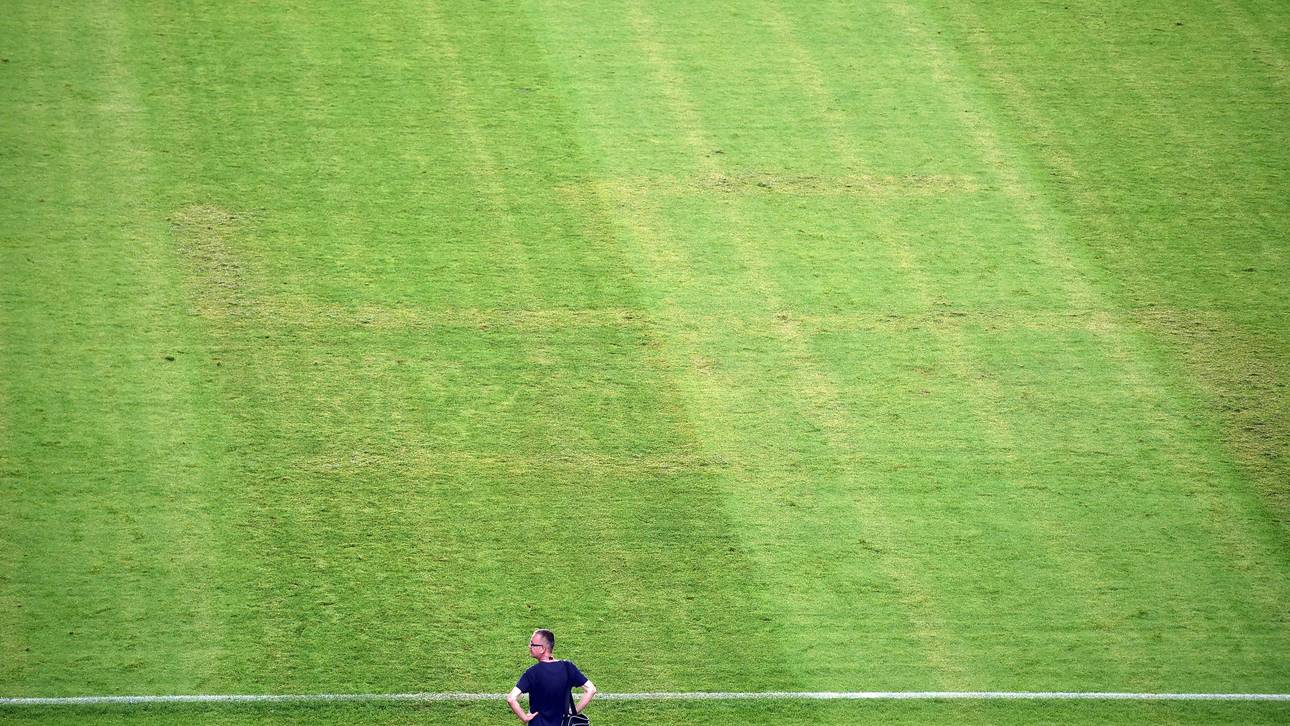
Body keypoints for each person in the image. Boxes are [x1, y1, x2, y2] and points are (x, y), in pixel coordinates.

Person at [507, 629, 597, 725]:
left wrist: (524, 718)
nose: (529, 646)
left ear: (542, 649)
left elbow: (511, 699)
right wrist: (572, 712)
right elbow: (591, 689)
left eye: (532, 644)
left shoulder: (532, 673)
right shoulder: (568, 667)